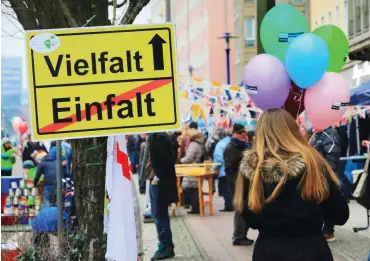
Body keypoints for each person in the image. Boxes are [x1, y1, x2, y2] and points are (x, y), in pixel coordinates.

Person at [234, 109, 349, 261]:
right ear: (293, 130)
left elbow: (250, 218)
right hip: (311, 251)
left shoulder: (250, 170)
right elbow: (340, 214)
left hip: (268, 252)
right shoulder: (312, 163)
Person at [146, 133, 178, 260]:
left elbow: (165, 161)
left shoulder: (158, 137)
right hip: (156, 181)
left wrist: (156, 178)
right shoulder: (157, 137)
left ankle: (166, 246)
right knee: (157, 214)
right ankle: (164, 244)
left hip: (159, 183)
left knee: (160, 215)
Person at [224, 124, 254, 246]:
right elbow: (229, 171)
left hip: (247, 183)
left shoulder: (244, 146)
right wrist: (235, 188)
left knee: (245, 209)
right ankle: (238, 236)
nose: (243, 134)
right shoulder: (231, 148)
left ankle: (242, 235)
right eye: (240, 132)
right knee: (241, 210)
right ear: (234, 134)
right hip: (238, 185)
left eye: (244, 132)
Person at [312, 126, 341, 242]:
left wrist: (328, 174)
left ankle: (328, 232)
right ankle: (324, 230)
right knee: (320, 202)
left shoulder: (330, 133)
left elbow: (332, 155)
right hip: (318, 176)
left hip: (327, 175)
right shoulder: (318, 134)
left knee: (329, 202)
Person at [180, 128, 205, 214]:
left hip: (192, 169)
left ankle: (196, 208)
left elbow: (189, 158)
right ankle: (197, 208)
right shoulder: (199, 143)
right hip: (196, 168)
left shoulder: (193, 144)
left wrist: (181, 161)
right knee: (195, 189)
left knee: (193, 189)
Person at [213, 134, 233, 211]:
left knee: (225, 189)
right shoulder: (230, 141)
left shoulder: (220, 144)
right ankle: (231, 205)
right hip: (231, 169)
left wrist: (214, 168)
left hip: (223, 170)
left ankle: (228, 205)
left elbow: (218, 159)